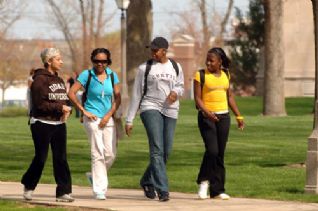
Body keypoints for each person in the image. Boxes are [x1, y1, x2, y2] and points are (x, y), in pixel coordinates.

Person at [125, 37, 184, 202]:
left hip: (171, 109)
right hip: (150, 107)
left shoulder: (175, 66)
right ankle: (163, 189)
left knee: (166, 151)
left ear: (164, 50)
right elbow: (136, 94)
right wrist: (129, 119)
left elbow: (181, 85)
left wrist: (176, 92)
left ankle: (146, 180)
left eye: (155, 50)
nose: (152, 53)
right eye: (151, 50)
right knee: (157, 149)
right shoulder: (145, 68)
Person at [21, 48, 74, 202]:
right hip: (41, 123)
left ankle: (63, 192)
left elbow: (62, 99)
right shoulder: (39, 80)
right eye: (58, 59)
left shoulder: (58, 80)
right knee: (41, 157)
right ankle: (28, 185)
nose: (61, 61)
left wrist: (66, 109)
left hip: (58, 123)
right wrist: (59, 108)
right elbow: (39, 105)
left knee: (61, 158)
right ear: (49, 61)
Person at [68, 48, 121, 200]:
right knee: (97, 152)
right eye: (97, 61)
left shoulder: (112, 75)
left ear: (108, 62)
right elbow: (71, 93)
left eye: (104, 61)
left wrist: (108, 116)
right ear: (93, 61)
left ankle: (94, 175)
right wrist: (83, 110)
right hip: (91, 117)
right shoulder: (87, 75)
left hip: (107, 117)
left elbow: (118, 99)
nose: (100, 64)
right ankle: (100, 190)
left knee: (110, 154)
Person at [193, 47, 244, 200]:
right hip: (206, 117)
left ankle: (217, 190)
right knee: (212, 151)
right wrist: (208, 113)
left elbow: (230, 97)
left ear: (220, 62)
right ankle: (203, 181)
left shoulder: (226, 74)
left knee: (220, 154)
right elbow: (197, 99)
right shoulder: (200, 75)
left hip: (224, 117)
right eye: (207, 60)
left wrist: (238, 116)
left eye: (212, 61)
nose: (208, 63)